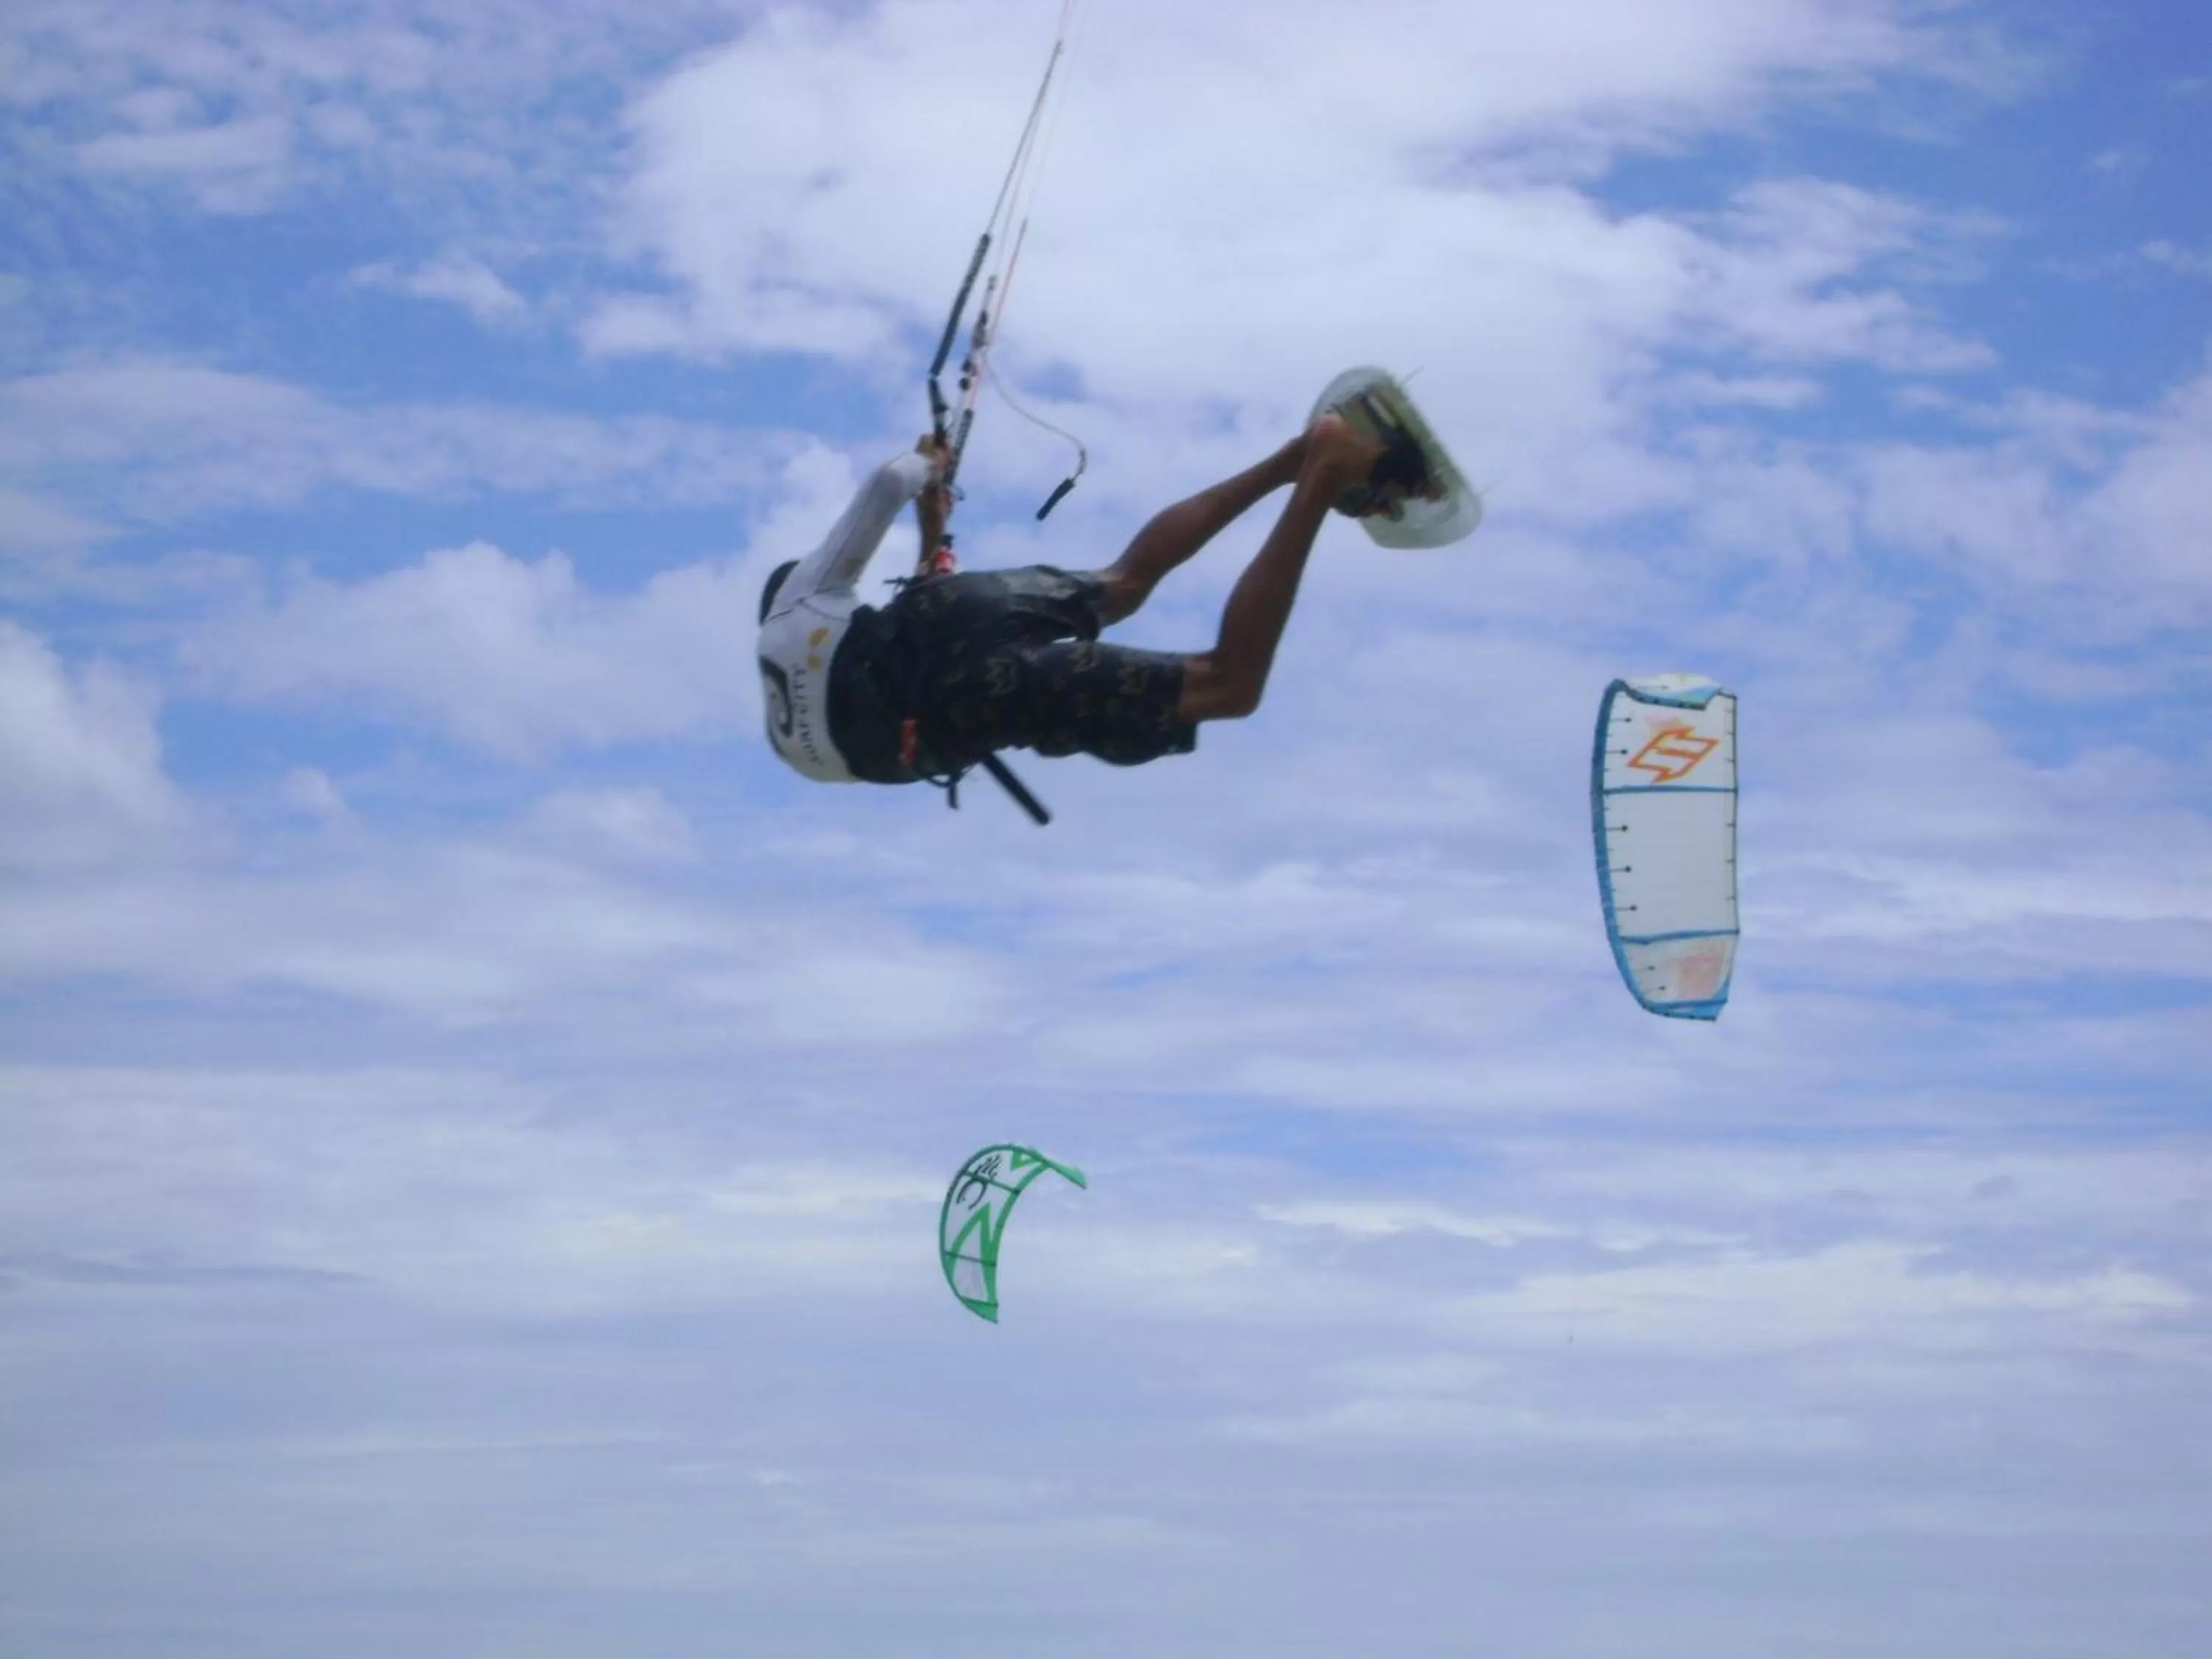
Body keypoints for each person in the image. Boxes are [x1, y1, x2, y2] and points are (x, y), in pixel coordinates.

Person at [755, 389, 1435, 796]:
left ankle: (1321, 474)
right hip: (944, 617)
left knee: (1228, 687)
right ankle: (1292, 459)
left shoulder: (787, 728)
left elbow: (909, 676)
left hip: (970, 700)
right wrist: (931, 479)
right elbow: (886, 505)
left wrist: (921, 485)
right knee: (1125, 580)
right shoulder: (797, 607)